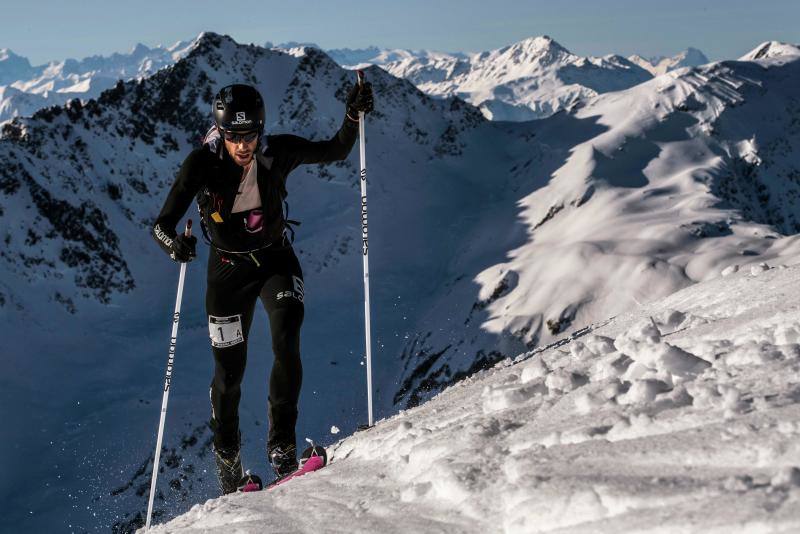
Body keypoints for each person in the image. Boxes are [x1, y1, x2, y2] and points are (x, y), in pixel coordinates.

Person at [152, 80, 374, 493]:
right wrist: (175, 245)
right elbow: (161, 225)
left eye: (249, 135)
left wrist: (351, 115)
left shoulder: (278, 152)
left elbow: (335, 150)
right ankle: (228, 461)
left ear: (260, 129)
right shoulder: (202, 163)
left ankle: (282, 448)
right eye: (233, 136)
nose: (242, 145)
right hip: (226, 274)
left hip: (275, 259)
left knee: (287, 336)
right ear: (221, 132)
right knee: (229, 374)